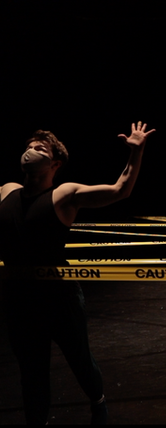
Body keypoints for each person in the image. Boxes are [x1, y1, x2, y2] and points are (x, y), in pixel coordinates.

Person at [0, 122, 156, 425]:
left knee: (79, 360)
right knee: (31, 372)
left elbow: (120, 190)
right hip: (19, 297)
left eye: (40, 148)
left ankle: (98, 403)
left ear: (55, 163)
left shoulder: (63, 195)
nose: (31, 151)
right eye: (29, 146)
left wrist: (136, 153)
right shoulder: (6, 191)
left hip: (59, 297)